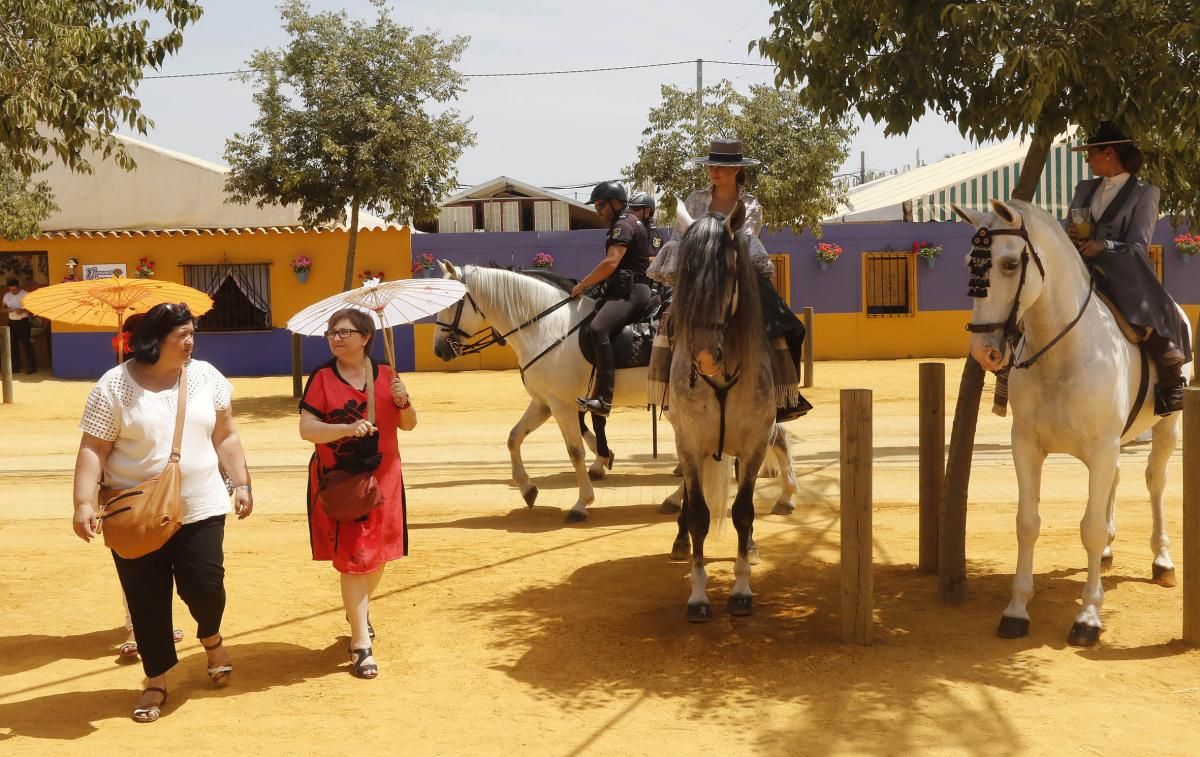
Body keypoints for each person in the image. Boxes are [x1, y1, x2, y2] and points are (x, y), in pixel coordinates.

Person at [72, 303, 253, 723]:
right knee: (146, 598)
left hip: (201, 504)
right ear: (155, 340)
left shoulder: (207, 377)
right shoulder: (113, 386)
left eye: (192, 333)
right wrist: (83, 502)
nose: (190, 341)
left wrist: (241, 482)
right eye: (181, 335)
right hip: (136, 512)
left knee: (205, 586)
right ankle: (156, 678)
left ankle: (210, 635)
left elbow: (226, 434)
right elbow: (93, 448)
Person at [647, 138, 811, 422]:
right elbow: (679, 239)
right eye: (712, 166)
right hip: (698, 277)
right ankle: (665, 391)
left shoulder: (750, 205)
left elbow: (745, 242)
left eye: (721, 167)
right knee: (667, 322)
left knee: (789, 327)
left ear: (737, 169)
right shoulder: (694, 200)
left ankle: (785, 396)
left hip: (739, 273)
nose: (715, 172)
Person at [299, 308, 416, 680]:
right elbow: (307, 429)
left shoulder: (386, 375)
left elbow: (409, 425)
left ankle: (358, 612)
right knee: (354, 558)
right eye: (331, 333)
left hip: (384, 478)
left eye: (344, 332)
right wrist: (346, 429)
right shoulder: (320, 378)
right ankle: (360, 642)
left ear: (366, 337)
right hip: (342, 482)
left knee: (378, 555)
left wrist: (404, 401)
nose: (335, 338)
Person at [1066, 122, 1190, 414]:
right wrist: (1069, 233)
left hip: (1121, 267)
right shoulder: (1084, 188)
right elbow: (1068, 223)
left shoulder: (1145, 194)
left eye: (1091, 153)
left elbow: (1138, 245)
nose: (1087, 160)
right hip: (1078, 262)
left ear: (1109, 152)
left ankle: (1169, 371)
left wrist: (1103, 245)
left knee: (1143, 308)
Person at [106, 314, 187, 662]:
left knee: (162, 563)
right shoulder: (115, 381)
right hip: (128, 491)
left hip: (166, 486)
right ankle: (135, 627)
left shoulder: (178, 378)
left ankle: (151, 627)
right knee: (135, 560)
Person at [572, 181, 654, 416]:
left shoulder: (624, 224)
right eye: (596, 205)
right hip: (622, 288)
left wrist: (583, 284)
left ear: (615, 203)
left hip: (633, 291)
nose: (597, 209)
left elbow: (611, 262)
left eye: (600, 204)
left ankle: (604, 398)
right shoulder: (626, 222)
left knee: (598, 329)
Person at [2, 277, 36, 373]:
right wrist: (7, 310)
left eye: (14, 289)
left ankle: (32, 367)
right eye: (11, 289)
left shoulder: (25, 294)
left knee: (26, 344)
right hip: (12, 322)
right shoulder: (7, 295)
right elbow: (2, 309)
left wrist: (22, 310)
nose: (12, 291)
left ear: (18, 287)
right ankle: (15, 367)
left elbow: (32, 309)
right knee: (13, 345)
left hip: (23, 321)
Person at [628, 191, 669, 258]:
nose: (632, 213)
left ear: (647, 211)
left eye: (636, 209)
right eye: (630, 209)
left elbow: (653, 260)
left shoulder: (652, 232)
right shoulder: (631, 228)